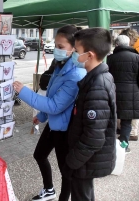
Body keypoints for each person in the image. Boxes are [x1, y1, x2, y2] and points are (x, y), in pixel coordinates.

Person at [13, 25, 86, 201]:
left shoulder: (76, 74)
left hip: (64, 130)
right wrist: (42, 116)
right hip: (53, 124)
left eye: (61, 47)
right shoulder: (60, 66)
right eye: (56, 45)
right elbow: (53, 97)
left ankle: (63, 198)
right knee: (39, 154)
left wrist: (24, 91)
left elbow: (55, 105)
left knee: (65, 170)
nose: (56, 50)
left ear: (74, 48)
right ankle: (49, 189)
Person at [63, 28, 116, 201]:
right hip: (85, 159)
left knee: (82, 196)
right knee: (84, 194)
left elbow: (94, 137)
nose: (75, 56)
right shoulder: (98, 77)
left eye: (77, 52)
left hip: (84, 160)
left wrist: (72, 161)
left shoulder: (97, 85)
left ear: (90, 55)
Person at [107, 35, 139, 150]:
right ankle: (124, 146)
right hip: (131, 95)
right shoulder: (137, 58)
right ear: (129, 43)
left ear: (116, 44)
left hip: (113, 93)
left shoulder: (110, 59)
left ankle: (110, 146)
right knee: (126, 123)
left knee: (112, 120)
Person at [120, 28, 139, 141]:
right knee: (131, 113)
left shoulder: (136, 48)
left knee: (130, 115)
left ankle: (133, 132)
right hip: (133, 88)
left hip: (130, 87)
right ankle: (131, 133)